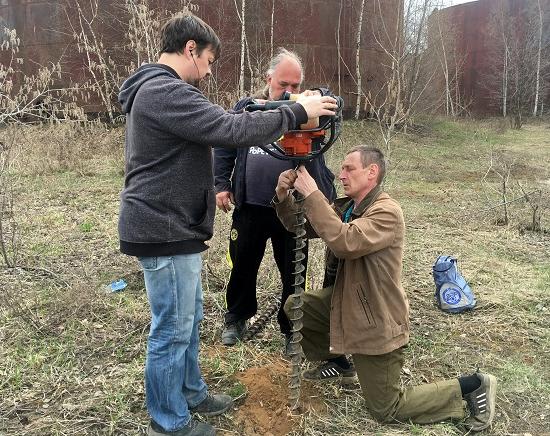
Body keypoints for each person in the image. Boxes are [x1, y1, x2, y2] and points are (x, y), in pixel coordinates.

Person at [117, 12, 337, 436]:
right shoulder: (165, 91)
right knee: (171, 329)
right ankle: (169, 422)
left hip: (177, 226)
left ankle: (192, 391)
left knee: (189, 317)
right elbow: (229, 127)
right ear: (190, 50)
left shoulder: (162, 90)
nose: (209, 69)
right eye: (211, 60)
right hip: (163, 228)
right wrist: (295, 112)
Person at [273, 146, 497, 432]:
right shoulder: (350, 207)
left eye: (348, 168)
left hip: (375, 320)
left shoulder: (387, 212)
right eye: (341, 169)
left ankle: (471, 386)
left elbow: (344, 243)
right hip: (347, 303)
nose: (341, 175)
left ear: (372, 172)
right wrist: (283, 196)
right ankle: (340, 365)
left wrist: (314, 193)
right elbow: (305, 225)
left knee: (387, 408)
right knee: (297, 305)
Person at [213, 48, 337, 350]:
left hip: (291, 209)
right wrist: (221, 185)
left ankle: (291, 327)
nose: (289, 91)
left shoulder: (308, 109)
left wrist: (311, 97)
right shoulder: (248, 107)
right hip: (250, 206)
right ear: (268, 78)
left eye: (296, 85)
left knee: (295, 270)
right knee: (242, 263)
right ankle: (237, 317)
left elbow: (330, 100)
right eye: (284, 84)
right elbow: (225, 145)